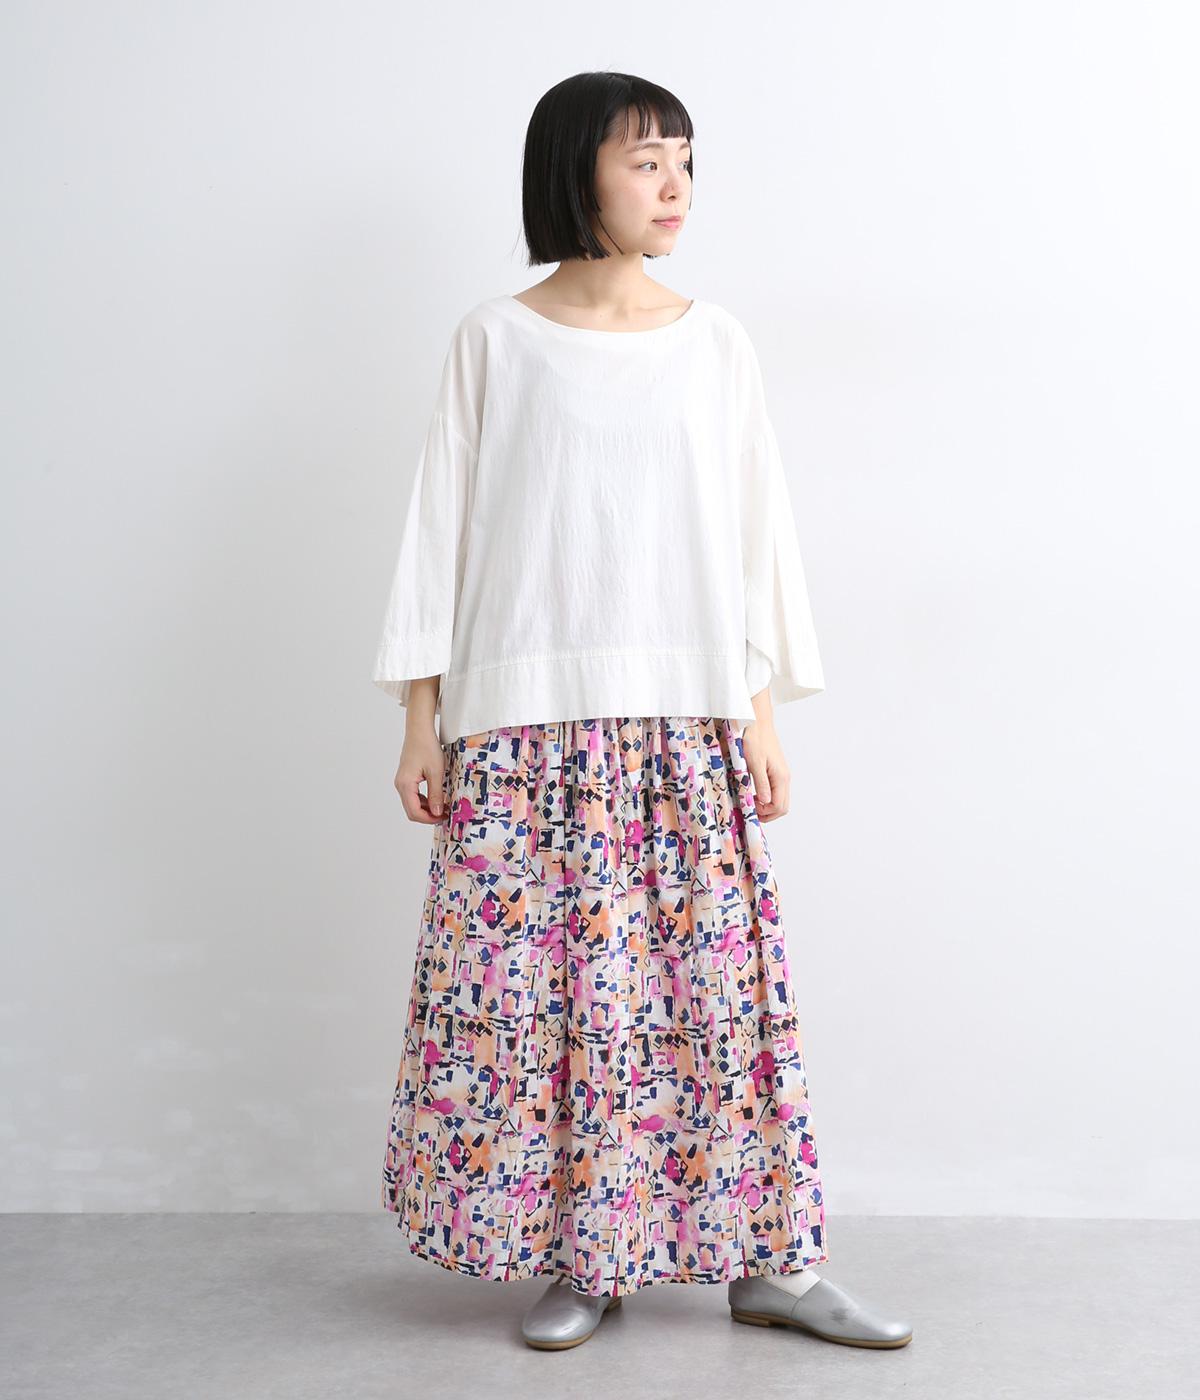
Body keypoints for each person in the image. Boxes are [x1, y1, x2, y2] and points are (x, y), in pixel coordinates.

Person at [370, 70, 913, 1353]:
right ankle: (587, 1254)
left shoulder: (714, 342)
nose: (675, 186)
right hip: (525, 721)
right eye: (645, 161)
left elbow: (750, 534)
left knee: (714, 998)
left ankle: (772, 1259)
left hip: (684, 718)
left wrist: (760, 713)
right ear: (577, 173)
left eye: (685, 161)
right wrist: (419, 718)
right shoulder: (495, 340)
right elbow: (440, 533)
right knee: (552, 1003)